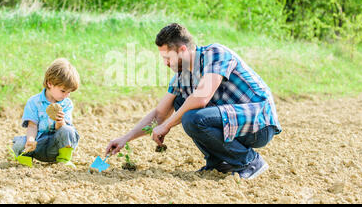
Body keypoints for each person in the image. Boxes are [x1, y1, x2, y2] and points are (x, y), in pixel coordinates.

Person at [105, 23, 281, 179]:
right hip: (234, 124)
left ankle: (250, 162)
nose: (166, 63)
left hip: (259, 124)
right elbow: (159, 114)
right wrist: (125, 139)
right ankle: (219, 163)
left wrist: (167, 125)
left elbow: (201, 97)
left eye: (168, 58)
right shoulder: (182, 76)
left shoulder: (215, 53)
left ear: (182, 50)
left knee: (192, 117)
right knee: (181, 103)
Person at [12, 58, 81, 168]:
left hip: (56, 146)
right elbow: (32, 126)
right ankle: (25, 160)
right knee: (19, 143)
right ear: (50, 83)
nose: (66, 95)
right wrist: (30, 140)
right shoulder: (34, 102)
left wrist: (60, 122)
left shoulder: (66, 104)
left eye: (69, 92)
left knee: (68, 130)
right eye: (63, 91)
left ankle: (64, 159)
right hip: (39, 144)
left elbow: (64, 131)